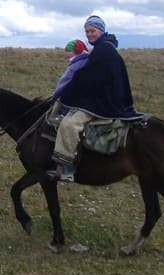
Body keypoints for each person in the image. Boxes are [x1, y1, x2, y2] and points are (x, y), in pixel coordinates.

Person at [47, 15, 138, 182]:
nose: (89, 34)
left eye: (92, 31)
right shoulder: (105, 47)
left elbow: (90, 78)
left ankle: (67, 169)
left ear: (101, 31)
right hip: (106, 98)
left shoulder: (103, 50)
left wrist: (72, 88)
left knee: (69, 124)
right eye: (87, 31)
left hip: (103, 103)